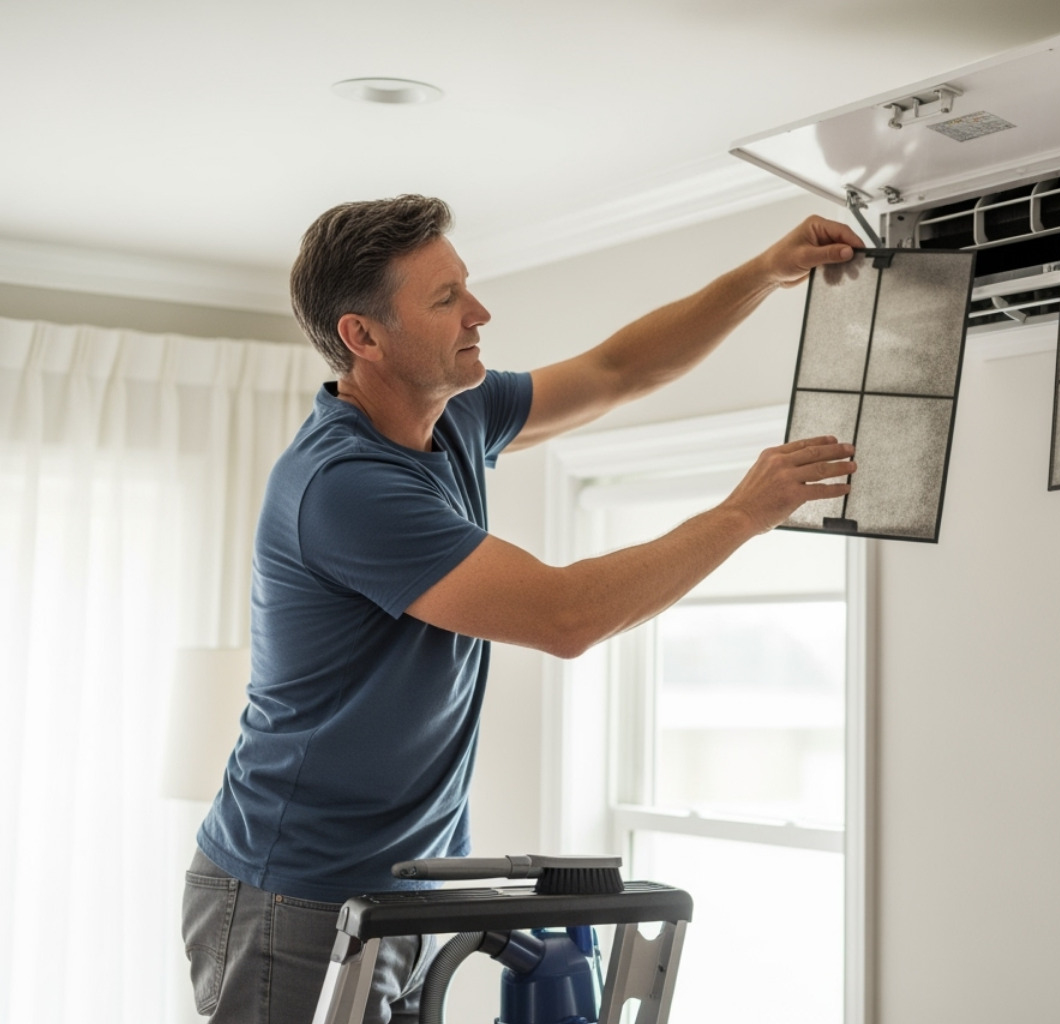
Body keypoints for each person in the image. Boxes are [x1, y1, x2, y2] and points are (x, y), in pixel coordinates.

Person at [181, 194, 861, 1023]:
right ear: (363, 337)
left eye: (466, 285)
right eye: (445, 300)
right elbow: (565, 616)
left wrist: (763, 274)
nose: (480, 312)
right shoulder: (344, 486)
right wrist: (742, 513)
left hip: (405, 879)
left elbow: (618, 371)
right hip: (293, 893)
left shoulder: (457, 413)